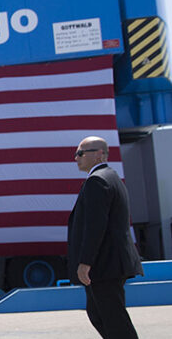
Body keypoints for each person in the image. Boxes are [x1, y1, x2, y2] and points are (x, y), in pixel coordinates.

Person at [67, 136, 143, 339]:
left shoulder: (98, 181)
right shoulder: (110, 177)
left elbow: (95, 226)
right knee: (98, 314)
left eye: (81, 153)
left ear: (99, 154)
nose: (76, 158)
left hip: (104, 265)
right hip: (109, 263)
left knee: (114, 319)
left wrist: (85, 262)